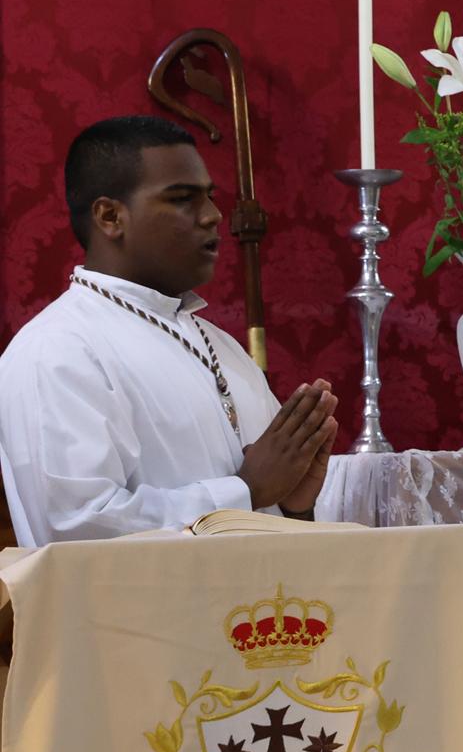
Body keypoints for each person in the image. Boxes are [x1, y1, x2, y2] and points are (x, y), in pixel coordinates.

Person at [0, 117, 341, 546]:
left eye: (210, 198)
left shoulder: (223, 347)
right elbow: (75, 531)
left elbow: (268, 515)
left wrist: (295, 506)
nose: (214, 216)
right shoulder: (58, 350)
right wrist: (247, 490)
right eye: (182, 198)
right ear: (110, 216)